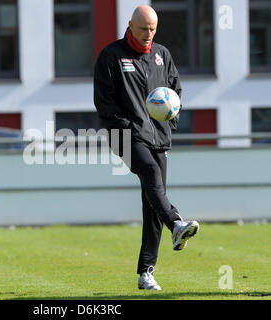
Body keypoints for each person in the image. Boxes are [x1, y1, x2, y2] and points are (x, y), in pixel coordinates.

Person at [93, 5, 199, 291]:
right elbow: (104, 103)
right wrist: (129, 128)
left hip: (159, 137)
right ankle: (176, 223)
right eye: (143, 29)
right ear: (130, 25)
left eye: (152, 29)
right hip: (125, 136)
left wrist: (170, 121)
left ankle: (146, 273)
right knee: (151, 173)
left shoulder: (162, 55)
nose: (148, 34)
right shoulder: (111, 56)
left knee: (153, 201)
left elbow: (175, 93)